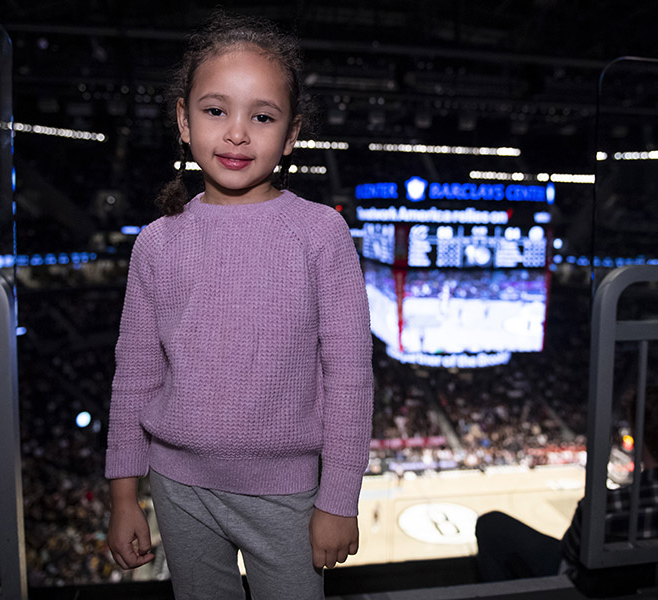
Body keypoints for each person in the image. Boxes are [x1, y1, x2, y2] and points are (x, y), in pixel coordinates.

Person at [104, 12, 373, 600]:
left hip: (287, 497)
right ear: (182, 119)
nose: (236, 134)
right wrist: (125, 495)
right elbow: (135, 378)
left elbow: (350, 377)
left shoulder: (322, 236)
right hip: (177, 491)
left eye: (263, 116)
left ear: (292, 132)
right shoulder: (155, 242)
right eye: (215, 109)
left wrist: (339, 499)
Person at [475, 388, 658, 596]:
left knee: (491, 523)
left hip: (599, 589)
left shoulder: (605, 508)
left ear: (635, 439)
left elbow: (569, 559)